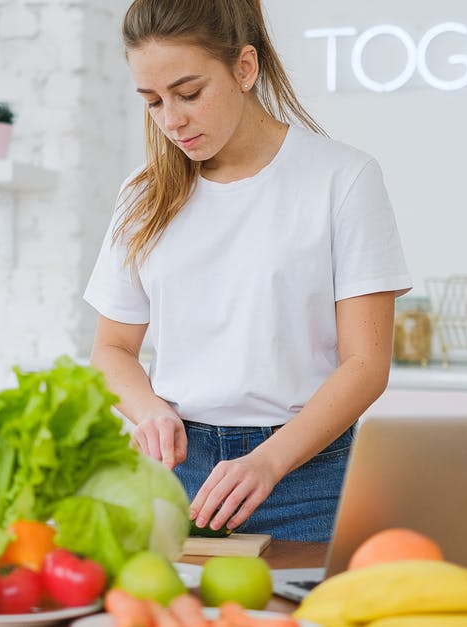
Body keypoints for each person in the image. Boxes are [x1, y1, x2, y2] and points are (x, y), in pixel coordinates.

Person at [84, 0, 411, 542]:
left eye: (189, 93)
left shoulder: (342, 178)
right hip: (179, 477)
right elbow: (111, 349)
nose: (172, 119)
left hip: (310, 481)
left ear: (245, 68)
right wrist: (149, 412)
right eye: (153, 102)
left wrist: (267, 463)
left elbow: (366, 364)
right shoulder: (142, 196)